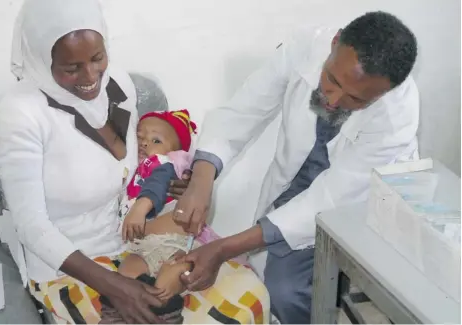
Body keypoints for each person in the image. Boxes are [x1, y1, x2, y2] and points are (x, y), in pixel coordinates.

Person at [0, 0, 269, 323]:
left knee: (249, 294)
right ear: (42, 58)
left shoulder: (117, 85)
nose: (90, 76)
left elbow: (132, 164)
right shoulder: (21, 114)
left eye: (98, 58)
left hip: (136, 242)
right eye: (71, 68)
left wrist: (174, 183)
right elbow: (31, 226)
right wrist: (115, 286)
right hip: (69, 266)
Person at [174, 11, 419, 324]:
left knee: (285, 291)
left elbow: (330, 198)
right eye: (331, 79)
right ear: (333, 43)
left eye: (355, 99)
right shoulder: (305, 45)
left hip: (356, 203)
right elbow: (243, 111)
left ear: (382, 94)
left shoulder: (396, 116)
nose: (332, 99)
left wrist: (224, 248)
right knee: (267, 278)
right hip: (298, 186)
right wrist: (201, 179)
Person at [101, 109, 198, 323]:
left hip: (171, 245)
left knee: (172, 277)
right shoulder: (136, 168)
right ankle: (115, 313)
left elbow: (158, 185)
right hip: (141, 247)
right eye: (140, 138)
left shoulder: (166, 163)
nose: (145, 144)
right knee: (124, 274)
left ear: (175, 151)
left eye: (156, 140)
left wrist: (140, 208)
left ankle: (162, 314)